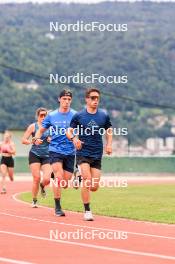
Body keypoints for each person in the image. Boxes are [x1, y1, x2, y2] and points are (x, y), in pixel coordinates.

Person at [67, 88, 113, 221]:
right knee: (87, 181)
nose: (95, 100)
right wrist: (74, 139)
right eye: (92, 98)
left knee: (94, 187)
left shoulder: (103, 116)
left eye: (97, 98)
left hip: (97, 153)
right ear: (87, 99)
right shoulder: (79, 116)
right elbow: (68, 132)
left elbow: (109, 131)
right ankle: (87, 211)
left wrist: (109, 144)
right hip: (83, 152)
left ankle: (78, 175)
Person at [34, 89, 76, 216]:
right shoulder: (51, 115)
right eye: (64, 99)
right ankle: (57, 208)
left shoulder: (75, 115)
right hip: (55, 150)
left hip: (70, 151)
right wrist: (36, 138)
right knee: (59, 178)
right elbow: (41, 130)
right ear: (59, 99)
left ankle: (53, 175)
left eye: (69, 99)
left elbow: (81, 130)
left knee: (65, 182)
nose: (66, 102)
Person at [22, 107, 52, 208]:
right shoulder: (33, 126)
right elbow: (23, 140)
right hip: (35, 154)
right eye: (41, 115)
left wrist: (51, 139)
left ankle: (42, 186)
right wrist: (32, 141)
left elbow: (57, 139)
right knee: (36, 178)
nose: (43, 117)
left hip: (47, 155)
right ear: (37, 116)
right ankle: (34, 200)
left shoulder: (51, 127)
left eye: (45, 115)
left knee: (47, 179)